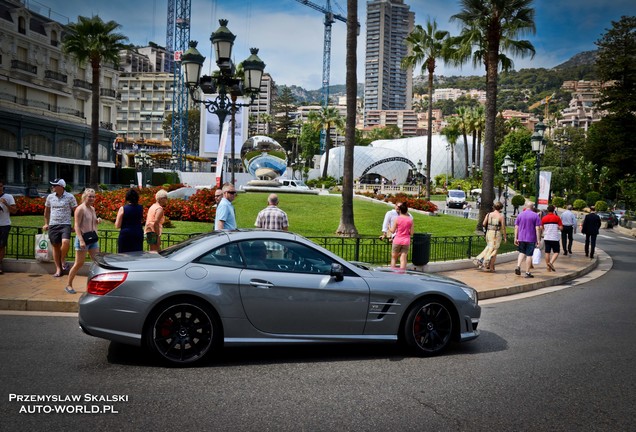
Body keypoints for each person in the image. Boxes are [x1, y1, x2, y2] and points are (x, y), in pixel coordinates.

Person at [66, 189, 101, 294]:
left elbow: (91, 221)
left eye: (93, 197)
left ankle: (95, 285)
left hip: (93, 239)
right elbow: (76, 225)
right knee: (78, 263)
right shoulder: (80, 209)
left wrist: (97, 220)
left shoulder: (92, 209)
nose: (92, 198)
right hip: (83, 239)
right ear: (84, 197)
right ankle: (68, 285)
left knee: (97, 262)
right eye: (90, 196)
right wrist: (81, 240)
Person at [43, 179, 77, 277]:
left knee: (66, 242)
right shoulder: (50, 197)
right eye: (52, 185)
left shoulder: (70, 197)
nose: (52, 187)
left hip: (65, 224)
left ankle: (62, 259)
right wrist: (46, 223)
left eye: (54, 185)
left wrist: (75, 225)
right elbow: (47, 211)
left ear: (61, 186)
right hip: (53, 224)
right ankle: (58, 269)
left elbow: (76, 211)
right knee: (55, 247)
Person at [473, 202, 507, 272]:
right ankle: (489, 263)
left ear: (494, 207)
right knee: (494, 250)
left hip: (489, 233)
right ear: (501, 208)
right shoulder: (501, 216)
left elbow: (483, 223)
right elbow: (503, 228)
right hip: (496, 233)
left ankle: (484, 261)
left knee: (489, 247)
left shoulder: (489, 215)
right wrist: (505, 237)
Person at [514, 202, 541, 278]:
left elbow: (516, 227)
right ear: (532, 207)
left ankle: (518, 266)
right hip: (531, 238)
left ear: (526, 206)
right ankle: (527, 272)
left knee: (521, 252)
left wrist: (515, 238)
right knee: (529, 255)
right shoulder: (535, 216)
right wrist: (538, 240)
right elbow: (537, 228)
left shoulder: (520, 215)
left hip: (521, 237)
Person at [115, 188, 144, 253]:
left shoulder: (123, 208)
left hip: (126, 234)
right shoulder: (140, 208)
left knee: (124, 255)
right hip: (138, 233)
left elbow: (117, 225)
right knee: (137, 254)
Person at [388, 202, 414, 270]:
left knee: (394, 257)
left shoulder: (397, 219)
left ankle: (393, 272)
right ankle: (402, 273)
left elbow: (393, 231)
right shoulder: (410, 220)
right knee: (403, 258)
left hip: (397, 240)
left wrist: (388, 227)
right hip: (406, 241)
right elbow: (411, 233)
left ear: (400, 210)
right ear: (406, 210)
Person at [0, 181, 17, 275]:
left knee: (1, 245)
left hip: (4, 225)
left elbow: (14, 211)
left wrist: (6, 204)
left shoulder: (8, 197)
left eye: (1, 186)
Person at [541, 204, 563, 272]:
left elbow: (542, 227)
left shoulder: (544, 218)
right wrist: (557, 227)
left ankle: (548, 268)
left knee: (547, 252)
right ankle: (551, 262)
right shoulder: (557, 218)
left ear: (548, 210)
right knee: (556, 251)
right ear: (553, 210)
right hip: (554, 237)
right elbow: (561, 228)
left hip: (546, 237)